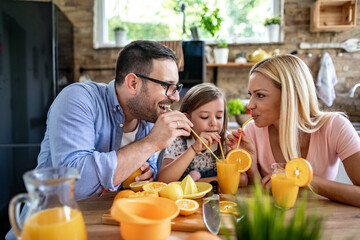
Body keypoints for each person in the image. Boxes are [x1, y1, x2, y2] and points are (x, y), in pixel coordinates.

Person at [36, 40, 194, 200]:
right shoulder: (77, 99)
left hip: (109, 218)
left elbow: (146, 174)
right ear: (133, 83)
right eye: (167, 86)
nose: (175, 97)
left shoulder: (148, 118)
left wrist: (148, 173)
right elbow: (74, 185)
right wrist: (151, 143)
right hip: (53, 220)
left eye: (176, 87)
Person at [227, 54, 360, 207]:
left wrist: (302, 178)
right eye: (250, 95)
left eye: (260, 95)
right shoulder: (251, 131)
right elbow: (261, 192)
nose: (249, 105)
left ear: (289, 96)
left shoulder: (335, 127)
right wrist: (252, 166)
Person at [158, 83, 248, 185]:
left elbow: (243, 179)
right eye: (204, 117)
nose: (213, 123)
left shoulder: (226, 142)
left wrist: (201, 182)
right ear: (187, 118)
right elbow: (163, 180)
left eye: (218, 117)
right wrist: (193, 149)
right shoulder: (178, 141)